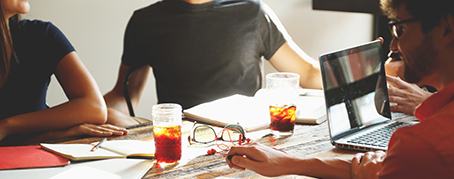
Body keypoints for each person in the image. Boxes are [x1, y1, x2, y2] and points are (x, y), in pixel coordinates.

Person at [225, 0, 454, 179]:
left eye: (400, 29)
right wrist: (291, 163)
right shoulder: (446, 134)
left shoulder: (424, 146)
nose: (392, 46)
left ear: (447, 29)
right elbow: (389, 169)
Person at [104, 0, 322, 127]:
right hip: (183, 140)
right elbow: (125, 95)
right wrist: (95, 112)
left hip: (244, 136)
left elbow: (307, 73)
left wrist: (353, 78)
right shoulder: (145, 21)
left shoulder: (253, 12)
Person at [0, 0, 128, 146]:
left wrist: (7, 126)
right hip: (17, 156)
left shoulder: (40, 34)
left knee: (117, 119)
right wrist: (55, 135)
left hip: (38, 153)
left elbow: (94, 108)